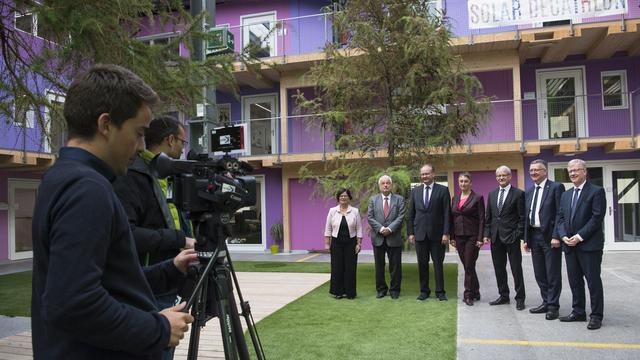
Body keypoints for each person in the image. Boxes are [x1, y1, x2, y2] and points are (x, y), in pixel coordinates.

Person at [31, 64, 195, 359]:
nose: (142, 146)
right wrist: (157, 328)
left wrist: (169, 270)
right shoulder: (86, 189)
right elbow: (73, 303)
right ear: (106, 125)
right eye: (139, 132)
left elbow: (108, 282)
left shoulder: (63, 178)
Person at [113, 116, 196, 360]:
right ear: (170, 140)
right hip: (150, 279)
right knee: (157, 348)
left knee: (167, 344)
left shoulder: (168, 175)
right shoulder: (131, 175)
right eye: (182, 141)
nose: (183, 148)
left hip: (171, 273)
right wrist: (179, 239)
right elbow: (127, 234)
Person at [554, 159, 606, 330]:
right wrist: (563, 236)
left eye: (576, 170)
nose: (573, 173)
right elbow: (560, 218)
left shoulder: (596, 192)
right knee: (575, 281)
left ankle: (596, 316)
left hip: (589, 246)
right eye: (570, 171)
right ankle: (578, 312)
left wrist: (579, 236)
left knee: (593, 282)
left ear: (585, 171)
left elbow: (596, 218)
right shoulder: (566, 194)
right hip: (569, 245)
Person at [523, 159, 564, 320]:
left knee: (552, 273)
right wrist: (526, 239)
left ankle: (553, 306)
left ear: (545, 171)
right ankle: (546, 301)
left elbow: (561, 214)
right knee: (539, 273)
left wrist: (556, 236)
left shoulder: (556, 187)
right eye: (531, 170)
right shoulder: (529, 191)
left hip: (550, 237)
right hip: (534, 236)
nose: (533, 173)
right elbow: (527, 217)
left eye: (537, 170)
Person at [483, 165, 526, 310]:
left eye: (504, 175)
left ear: (509, 177)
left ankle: (520, 298)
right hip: (496, 238)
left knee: (516, 269)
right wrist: (487, 234)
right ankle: (504, 295)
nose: (501, 178)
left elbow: (522, 218)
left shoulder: (519, 194)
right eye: (498, 176)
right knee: (499, 268)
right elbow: (488, 217)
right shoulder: (492, 194)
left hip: (511, 238)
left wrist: (517, 235)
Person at [407, 164, 451, 301]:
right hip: (420, 234)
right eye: (422, 174)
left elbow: (447, 214)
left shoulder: (443, 190)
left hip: (438, 235)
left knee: (438, 264)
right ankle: (424, 291)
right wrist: (411, 233)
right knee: (422, 264)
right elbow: (411, 214)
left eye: (427, 173)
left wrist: (446, 233)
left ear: (433, 174)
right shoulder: (415, 191)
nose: (424, 176)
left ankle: (440, 292)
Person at [367, 175, 406, 299]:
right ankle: (381, 289)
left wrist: (389, 229)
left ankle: (395, 290)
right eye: (383, 183)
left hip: (394, 237)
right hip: (378, 238)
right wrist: (381, 229)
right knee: (379, 266)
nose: (385, 185)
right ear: (379, 186)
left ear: (391, 185)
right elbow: (370, 217)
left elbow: (401, 216)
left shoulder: (399, 199)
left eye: (387, 183)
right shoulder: (373, 200)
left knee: (395, 266)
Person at [450, 172, 485, 306]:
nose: (463, 183)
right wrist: (452, 236)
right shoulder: (455, 198)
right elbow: (452, 218)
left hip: (472, 236)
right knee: (467, 265)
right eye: (461, 181)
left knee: (469, 265)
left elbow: (482, 219)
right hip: (459, 237)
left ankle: (468, 294)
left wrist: (480, 238)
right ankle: (476, 291)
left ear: (470, 183)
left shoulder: (477, 197)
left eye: (465, 181)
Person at [324, 188, 363, 299]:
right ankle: (338, 292)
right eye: (341, 196)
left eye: (345, 196)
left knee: (350, 268)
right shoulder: (332, 211)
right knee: (337, 268)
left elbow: (359, 228)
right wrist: (327, 243)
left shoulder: (355, 211)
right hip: (336, 243)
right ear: (338, 198)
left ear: (349, 198)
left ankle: (350, 293)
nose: (343, 198)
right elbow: (328, 227)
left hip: (351, 243)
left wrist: (358, 244)